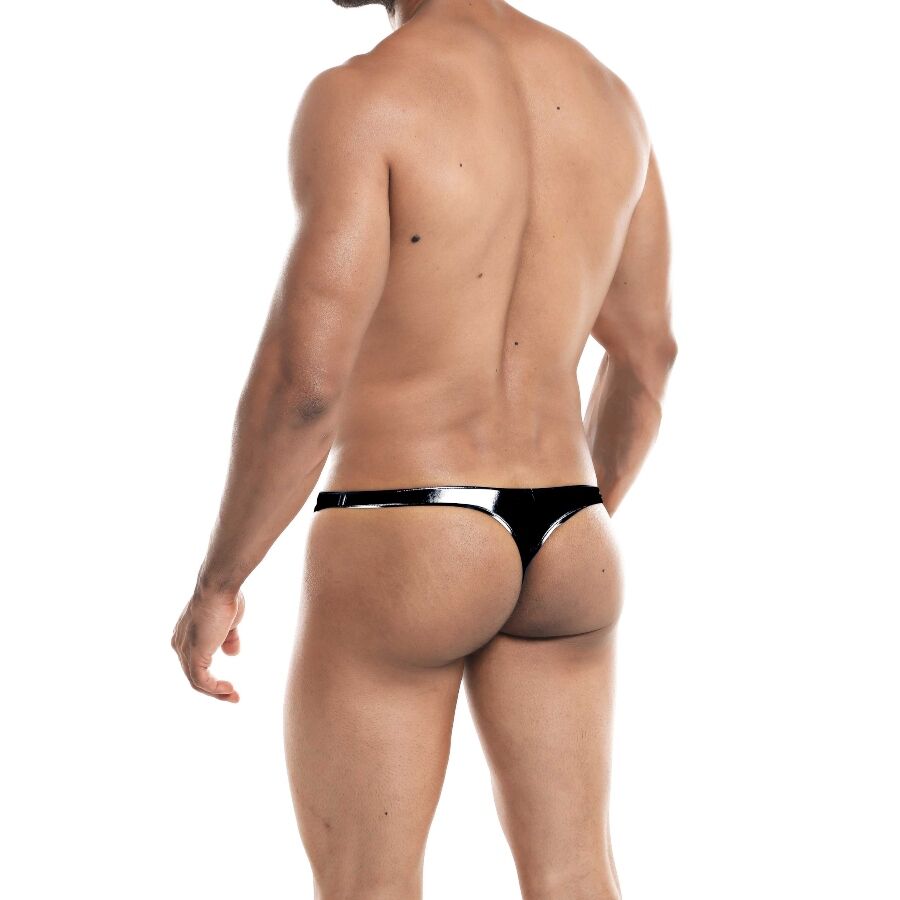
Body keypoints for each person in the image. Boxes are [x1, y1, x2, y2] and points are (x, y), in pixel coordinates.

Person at [170, 0, 676, 896]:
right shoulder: (609, 99)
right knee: (576, 875)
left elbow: (304, 385)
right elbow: (647, 358)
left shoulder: (365, 96)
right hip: (568, 529)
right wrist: (571, 516)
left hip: (404, 528)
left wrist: (220, 580)